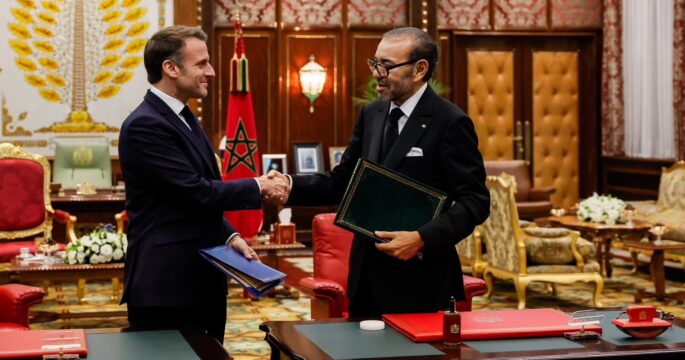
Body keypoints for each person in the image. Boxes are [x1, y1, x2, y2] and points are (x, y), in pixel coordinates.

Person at [273, 27, 490, 316]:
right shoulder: (371, 115)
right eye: (374, 63)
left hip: (421, 282)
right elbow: (343, 180)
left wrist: (422, 238)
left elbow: (475, 201)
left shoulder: (450, 122)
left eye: (386, 66)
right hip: (365, 280)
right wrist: (289, 185)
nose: (376, 73)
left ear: (419, 70)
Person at [118, 25, 288, 342]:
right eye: (201, 63)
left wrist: (230, 234)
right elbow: (194, 192)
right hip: (166, 285)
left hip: (202, 278)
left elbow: (195, 197)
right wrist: (259, 186)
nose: (210, 71)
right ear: (170, 67)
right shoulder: (145, 125)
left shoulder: (185, 117)